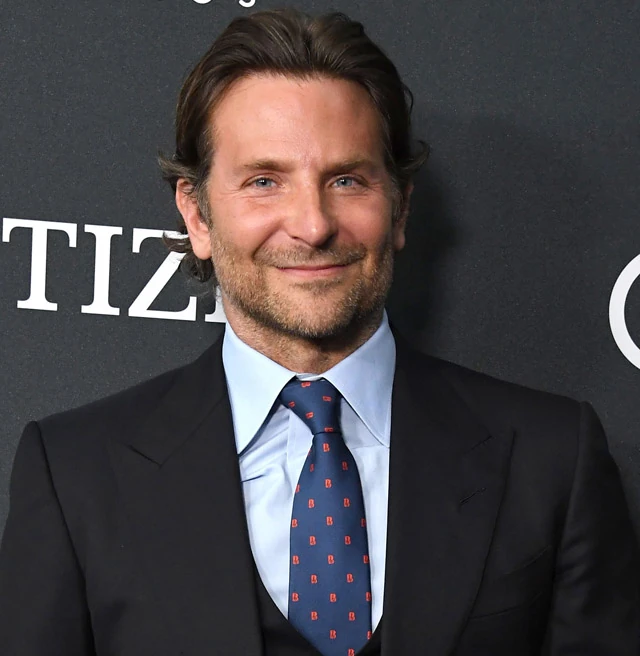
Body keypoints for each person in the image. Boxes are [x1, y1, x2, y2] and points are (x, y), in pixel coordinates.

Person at [0, 7, 638, 656]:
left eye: (347, 180)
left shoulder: (550, 459)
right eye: (264, 181)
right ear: (196, 215)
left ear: (399, 207)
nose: (312, 225)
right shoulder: (77, 473)